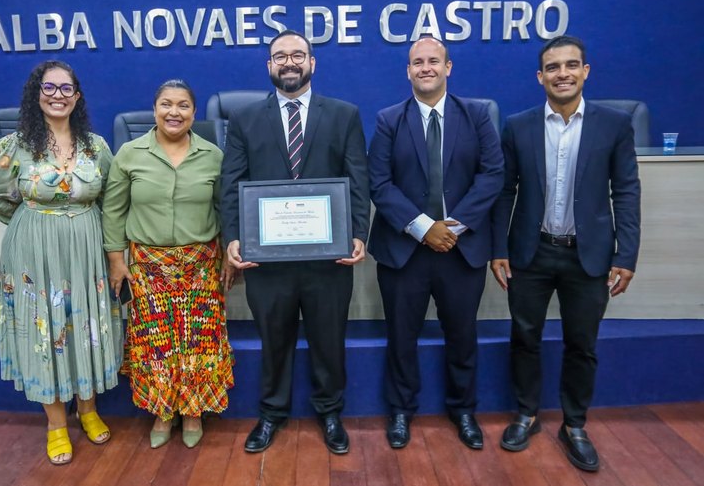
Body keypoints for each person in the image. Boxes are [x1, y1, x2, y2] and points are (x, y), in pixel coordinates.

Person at [490, 35, 641, 472]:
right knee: (525, 337)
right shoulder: (518, 126)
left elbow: (626, 192)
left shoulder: (613, 125)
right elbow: (505, 192)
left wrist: (626, 254)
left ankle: (575, 424)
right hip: (530, 253)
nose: (562, 74)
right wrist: (499, 247)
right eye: (553, 68)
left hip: (588, 256)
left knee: (582, 344)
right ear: (540, 77)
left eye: (571, 65)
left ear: (585, 72)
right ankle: (527, 414)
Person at [221, 30, 370, 454]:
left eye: (298, 55)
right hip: (267, 264)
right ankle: (271, 414)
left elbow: (358, 180)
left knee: (329, 338)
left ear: (312, 63)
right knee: (274, 340)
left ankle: (330, 412)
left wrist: (358, 232)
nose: (289, 62)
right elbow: (231, 185)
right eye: (280, 56)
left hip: (329, 261)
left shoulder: (344, 115)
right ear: (269, 66)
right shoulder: (245, 119)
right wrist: (233, 239)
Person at [0, 60, 121, 465]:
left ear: (77, 96)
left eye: (66, 88)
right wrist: (32, 222)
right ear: (36, 94)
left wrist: (108, 247)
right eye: (49, 87)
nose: (58, 95)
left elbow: (112, 197)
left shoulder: (96, 146)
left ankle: (89, 411)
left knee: (86, 325)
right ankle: (57, 424)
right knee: (46, 329)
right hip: (34, 254)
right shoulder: (14, 147)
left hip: (88, 251)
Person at [367, 37, 504, 450]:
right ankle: (401, 411)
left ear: (449, 67)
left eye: (433, 61)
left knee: (462, 334)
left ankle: (462, 409)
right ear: (408, 71)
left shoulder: (477, 116)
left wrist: (453, 228)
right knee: (401, 336)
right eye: (417, 62)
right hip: (404, 250)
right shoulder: (389, 119)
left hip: (460, 250)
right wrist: (424, 227)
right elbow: (379, 183)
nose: (425, 68)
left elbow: (492, 175)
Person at [102, 79, 235, 450]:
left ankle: (193, 413)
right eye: (166, 104)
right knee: (156, 345)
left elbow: (225, 210)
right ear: (155, 108)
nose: (174, 112)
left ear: (194, 112)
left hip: (201, 264)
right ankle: (163, 413)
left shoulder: (213, 155)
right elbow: (113, 210)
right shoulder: (129, 153)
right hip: (148, 265)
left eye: (183, 106)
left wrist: (229, 255)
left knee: (198, 342)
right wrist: (116, 259)